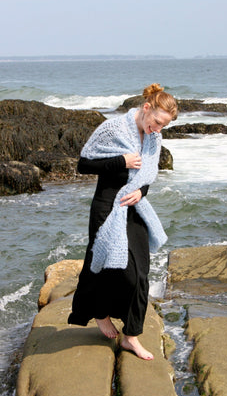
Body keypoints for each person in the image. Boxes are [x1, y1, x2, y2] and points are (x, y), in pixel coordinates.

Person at [68, 83, 178, 360]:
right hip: (107, 206)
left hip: (134, 207)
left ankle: (131, 336)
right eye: (156, 122)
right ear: (146, 108)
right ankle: (99, 312)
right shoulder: (113, 129)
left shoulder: (154, 139)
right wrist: (121, 161)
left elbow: (147, 178)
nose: (157, 129)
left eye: (163, 126)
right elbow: (84, 164)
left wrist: (141, 192)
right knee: (104, 264)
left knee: (140, 273)